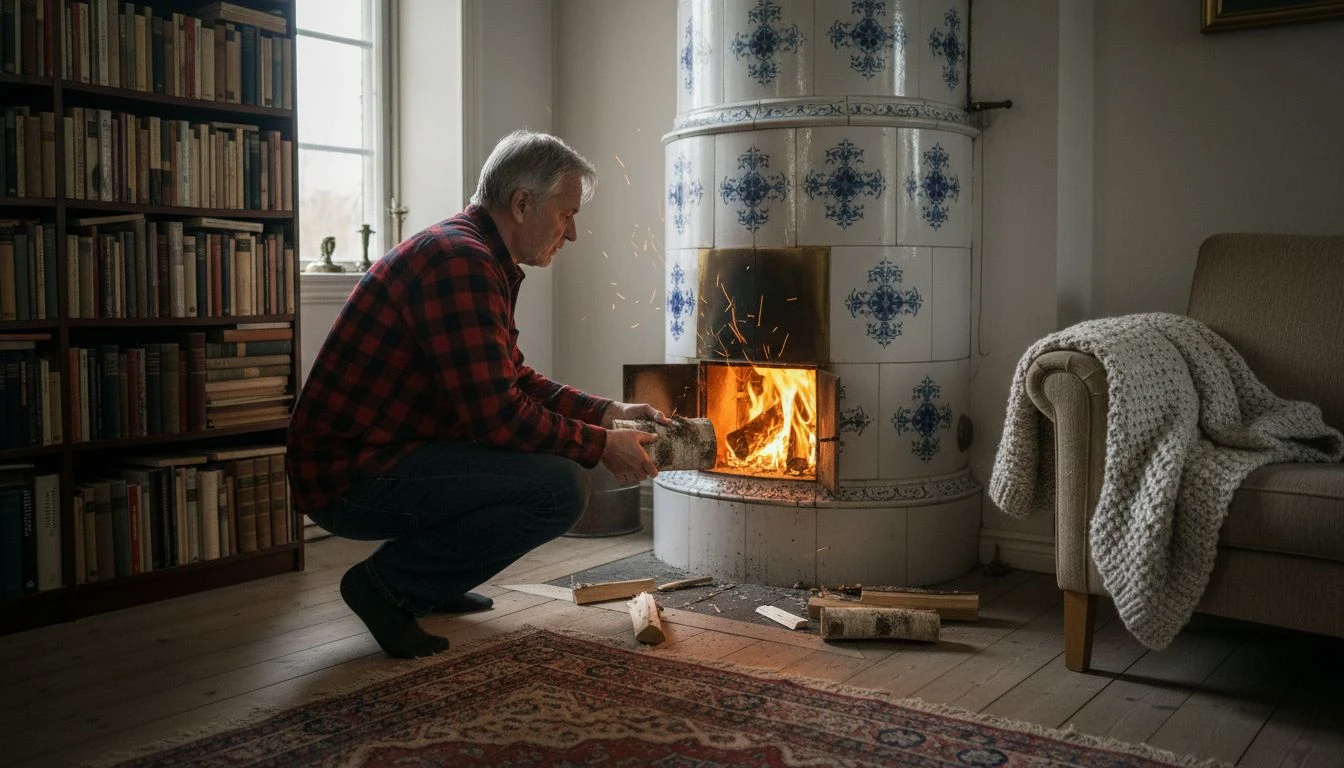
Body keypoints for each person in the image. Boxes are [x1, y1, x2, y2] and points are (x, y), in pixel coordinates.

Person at [287, 130, 667, 659]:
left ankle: (430, 582)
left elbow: (512, 379)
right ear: (521, 203)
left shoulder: (473, 254)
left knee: (543, 471)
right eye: (566, 213)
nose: (573, 232)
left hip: (384, 457)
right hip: (348, 478)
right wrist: (601, 445)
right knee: (557, 488)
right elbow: (499, 417)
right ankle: (387, 587)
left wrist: (608, 411)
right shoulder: (458, 262)